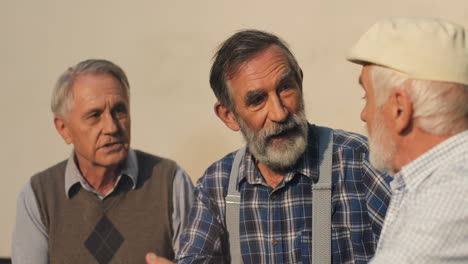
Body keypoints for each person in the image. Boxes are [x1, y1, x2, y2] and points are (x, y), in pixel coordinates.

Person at [146, 30, 391, 264]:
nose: (279, 113)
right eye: (257, 100)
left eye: (285, 88)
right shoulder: (217, 186)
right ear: (229, 115)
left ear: (300, 83)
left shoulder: (359, 161)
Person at [12, 59, 194, 264]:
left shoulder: (170, 183)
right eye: (94, 115)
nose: (111, 127)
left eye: (119, 110)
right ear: (64, 128)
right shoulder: (39, 196)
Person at [347, 17, 468, 263]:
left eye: (366, 97)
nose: (363, 115)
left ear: (399, 109)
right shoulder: (433, 181)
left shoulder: (450, 197)